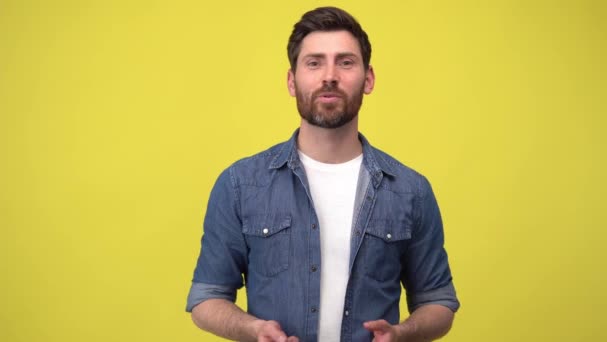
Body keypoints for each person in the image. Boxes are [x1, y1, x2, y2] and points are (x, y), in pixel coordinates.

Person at [186, 6, 459, 342]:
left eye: (345, 62)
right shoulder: (241, 184)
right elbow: (206, 297)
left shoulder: (410, 191)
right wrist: (252, 329)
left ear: (368, 78)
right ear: (291, 80)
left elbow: (438, 302)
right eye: (314, 63)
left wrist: (402, 333)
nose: (329, 75)